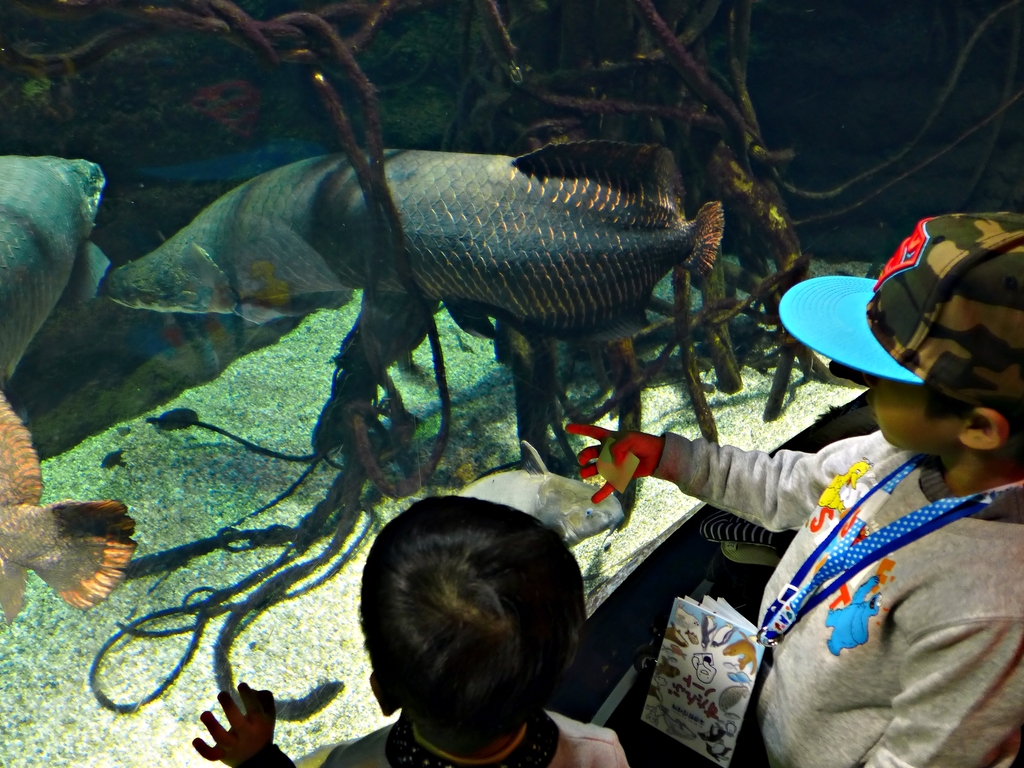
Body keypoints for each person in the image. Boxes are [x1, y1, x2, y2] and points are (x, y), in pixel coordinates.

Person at [569, 213, 1024, 767]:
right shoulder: (892, 454)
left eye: (881, 371)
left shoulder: (992, 611)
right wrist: (670, 459)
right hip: (765, 703)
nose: (850, 373)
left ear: (979, 427)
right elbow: (783, 485)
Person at [192, 496, 630, 768]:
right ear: (561, 669)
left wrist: (257, 759)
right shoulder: (598, 753)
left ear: (382, 693)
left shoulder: (353, 765)